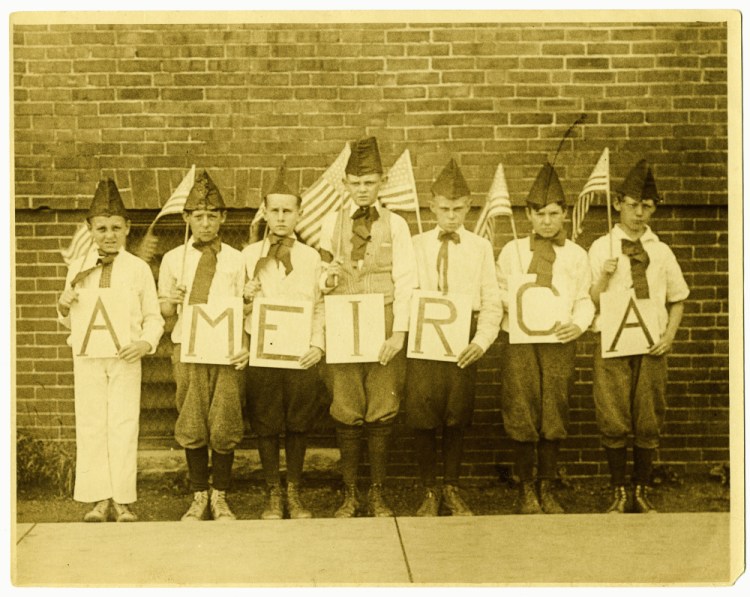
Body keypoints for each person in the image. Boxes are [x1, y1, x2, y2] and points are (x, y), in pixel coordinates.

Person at [318, 137, 418, 517]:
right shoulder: (331, 222)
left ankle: (377, 493)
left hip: (385, 319)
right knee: (346, 405)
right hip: (344, 318)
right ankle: (349, 493)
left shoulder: (398, 225)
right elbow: (322, 273)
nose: (363, 190)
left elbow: (407, 280)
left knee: (381, 405)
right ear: (345, 184)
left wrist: (399, 333)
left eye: (370, 183)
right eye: (356, 183)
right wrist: (326, 280)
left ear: (382, 183)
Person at [57, 178, 164, 522]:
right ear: (90, 229)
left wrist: (145, 343)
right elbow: (69, 320)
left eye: (116, 227)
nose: (109, 235)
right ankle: (98, 499)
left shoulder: (138, 269)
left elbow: (153, 317)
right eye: (101, 228)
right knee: (91, 424)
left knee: (122, 423)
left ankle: (122, 499)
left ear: (128, 228)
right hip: (88, 359)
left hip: (124, 359)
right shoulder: (79, 268)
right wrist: (62, 304)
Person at [588, 160, 689, 514]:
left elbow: (677, 298)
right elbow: (590, 301)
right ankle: (618, 491)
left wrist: (669, 336)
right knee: (613, 417)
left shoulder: (660, 251)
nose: (639, 213)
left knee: (648, 417)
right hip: (613, 345)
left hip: (650, 347)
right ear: (618, 204)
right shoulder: (602, 247)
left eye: (647, 206)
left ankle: (641, 491)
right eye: (632, 205)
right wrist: (603, 276)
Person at [495, 162, 595, 514]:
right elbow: (499, 292)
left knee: (553, 410)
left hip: (558, 344)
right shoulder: (513, 252)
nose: (547, 222)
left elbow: (584, 299)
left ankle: (547, 486)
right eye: (540, 214)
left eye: (554, 214)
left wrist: (578, 325)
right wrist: (526, 306)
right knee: (522, 410)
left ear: (564, 214)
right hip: (520, 344)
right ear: (528, 215)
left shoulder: (576, 255)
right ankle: (526, 489)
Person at [407, 159, 502, 516]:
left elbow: (492, 301)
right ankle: (429, 490)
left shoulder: (479, 248)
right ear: (432, 207)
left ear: (469, 206)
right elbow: (405, 291)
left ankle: (451, 486)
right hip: (423, 340)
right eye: (444, 209)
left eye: (458, 209)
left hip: (462, 341)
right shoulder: (415, 244)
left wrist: (480, 342)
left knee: (456, 416)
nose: (450, 216)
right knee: (423, 416)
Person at [158, 170, 249, 522]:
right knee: (193, 419)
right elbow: (165, 312)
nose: (206, 223)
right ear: (187, 219)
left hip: (226, 348)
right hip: (188, 346)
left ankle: (220, 496)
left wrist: (243, 343)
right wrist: (171, 298)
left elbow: (244, 307)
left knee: (224, 421)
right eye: (199, 217)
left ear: (223, 219)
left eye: (213, 216)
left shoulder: (236, 258)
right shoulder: (173, 259)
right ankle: (198, 496)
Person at [242, 164, 325, 520]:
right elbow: (235, 307)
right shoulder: (247, 256)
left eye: (287, 210)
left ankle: (294, 492)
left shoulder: (311, 257)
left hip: (299, 354)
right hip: (263, 355)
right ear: (265, 212)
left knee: (297, 422)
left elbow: (319, 305)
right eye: (273, 210)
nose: (280, 217)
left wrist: (318, 345)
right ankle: (272, 495)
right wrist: (245, 299)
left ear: (298, 213)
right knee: (266, 422)